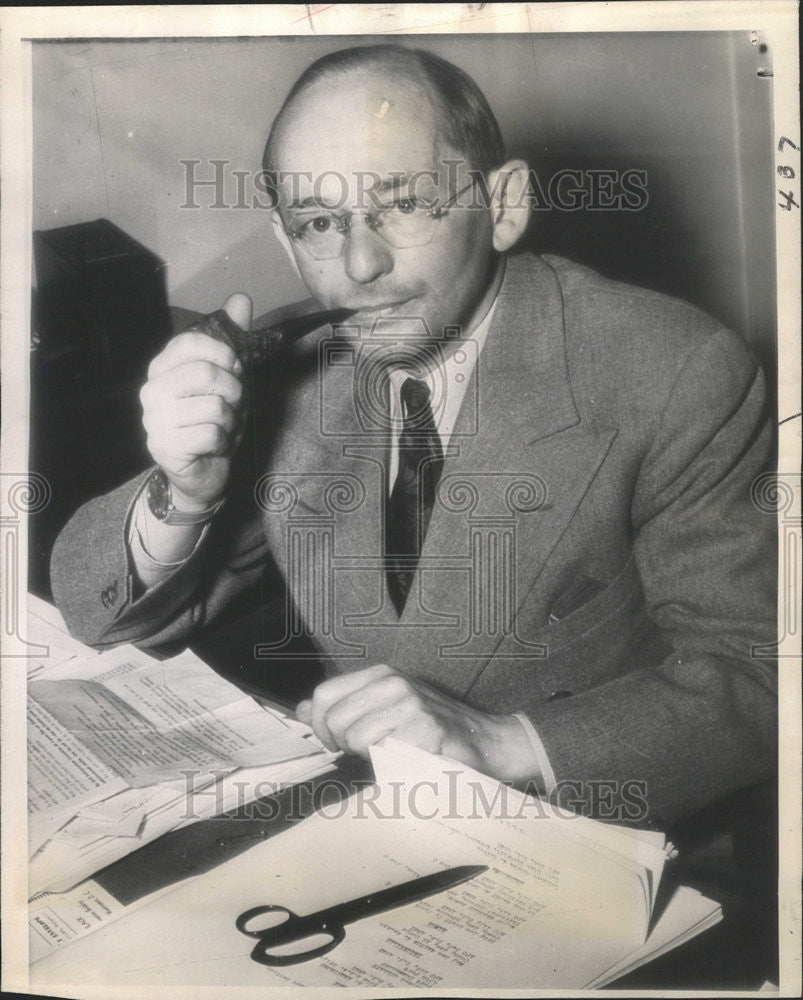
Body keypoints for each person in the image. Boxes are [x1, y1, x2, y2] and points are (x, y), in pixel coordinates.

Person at [51, 45, 776, 828]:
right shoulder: (291, 367)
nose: (359, 264)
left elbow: (765, 675)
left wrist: (507, 744)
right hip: (369, 823)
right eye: (320, 222)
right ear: (287, 239)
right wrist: (186, 493)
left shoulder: (676, 370)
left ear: (501, 206)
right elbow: (101, 616)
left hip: (599, 834)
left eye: (400, 204)